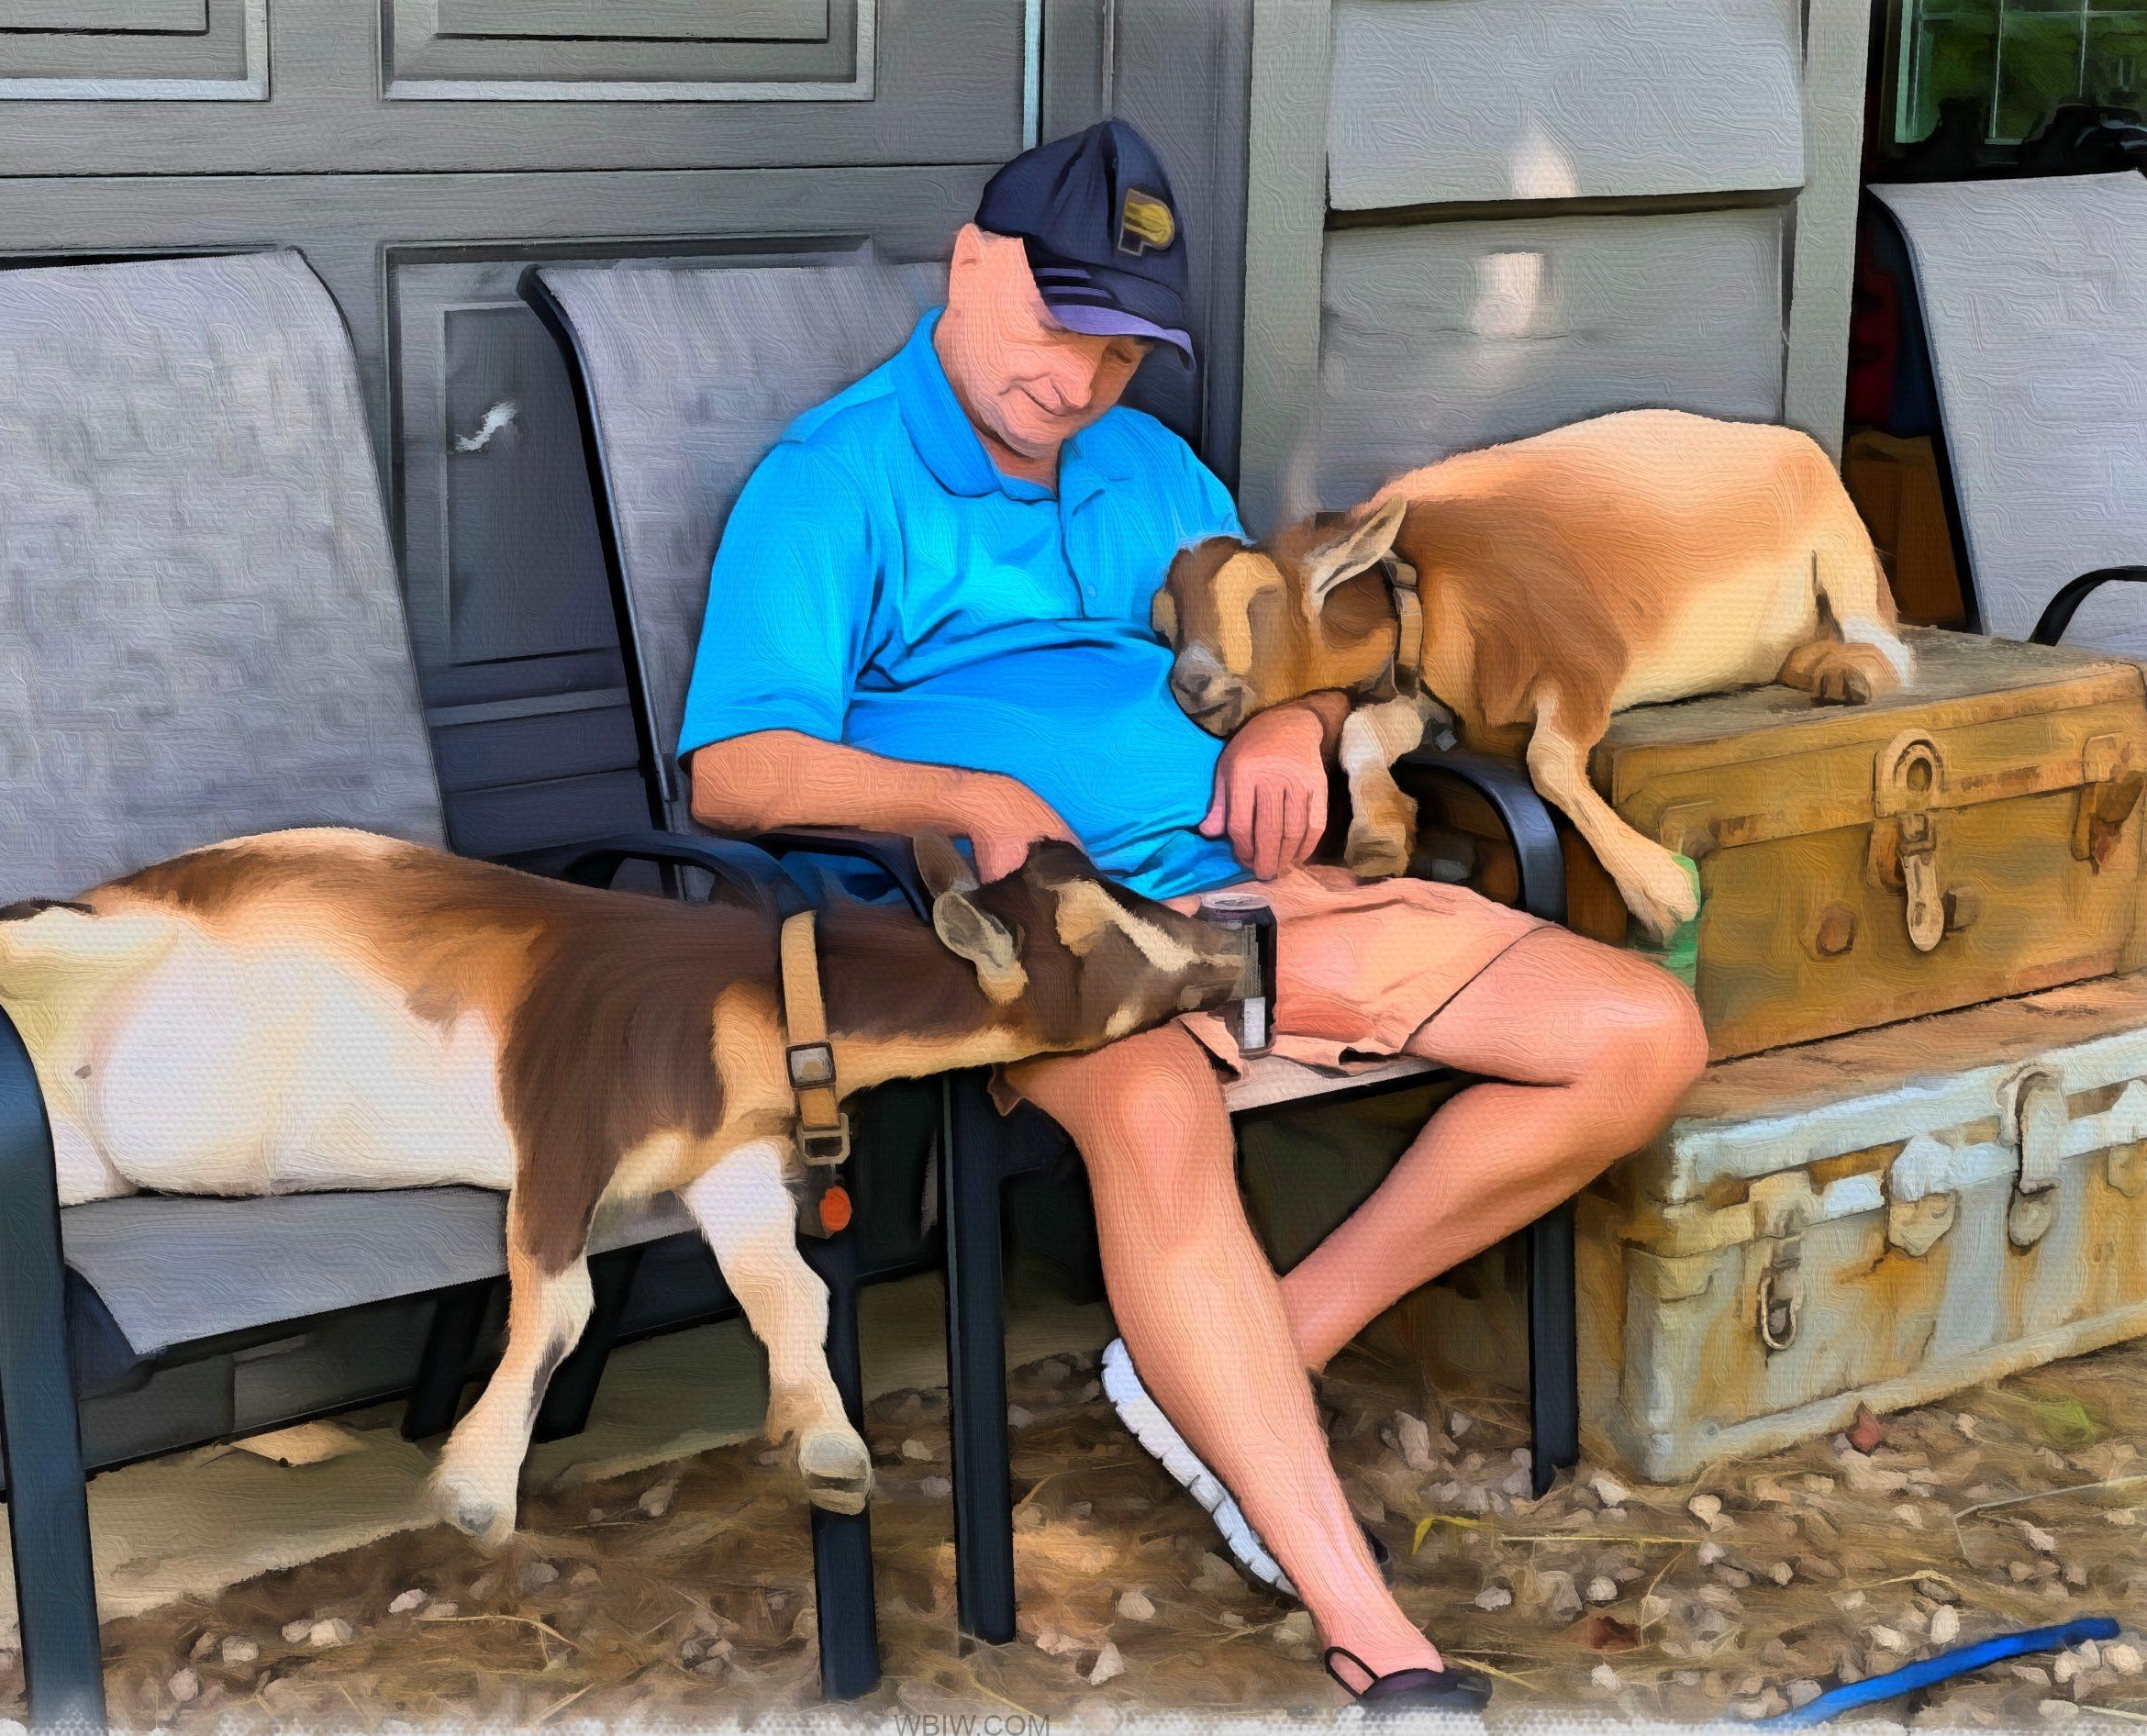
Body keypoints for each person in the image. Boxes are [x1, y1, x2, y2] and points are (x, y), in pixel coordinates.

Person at [677, 117, 1708, 1709]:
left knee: (1641, 1034)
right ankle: (1370, 1629)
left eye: (1119, 351)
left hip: (1248, 892)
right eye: (1056, 329)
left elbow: (1287, 654)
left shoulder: (1154, 467)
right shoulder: (832, 482)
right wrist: (964, 795)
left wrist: (1295, 725)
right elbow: (735, 773)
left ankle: (1253, 1355)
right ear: (971, 265)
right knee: (1158, 1107)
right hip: (1030, 932)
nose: (1080, 382)